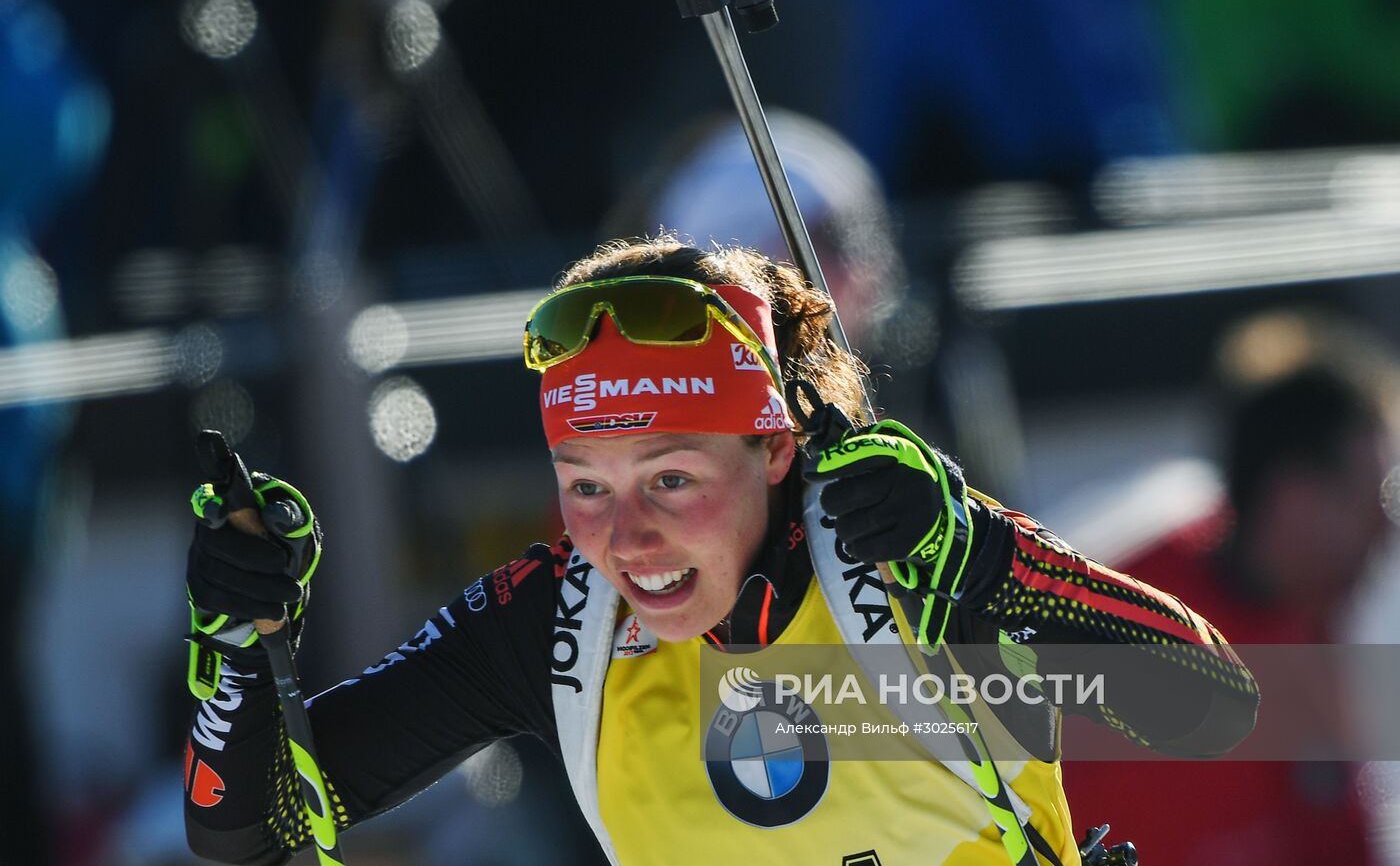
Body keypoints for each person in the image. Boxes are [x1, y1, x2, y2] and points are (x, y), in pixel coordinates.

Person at [182, 234, 1258, 866]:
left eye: (671, 480)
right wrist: (241, 642)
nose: (623, 539)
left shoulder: (902, 563)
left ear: (774, 449)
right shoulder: (564, 618)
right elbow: (259, 830)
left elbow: (1215, 710)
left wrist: (987, 557)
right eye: (585, 488)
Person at [1063, 352, 1394, 865]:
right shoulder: (1116, 620)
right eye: (1371, 502)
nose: (1385, 533)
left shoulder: (1312, 620)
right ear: (1295, 498)